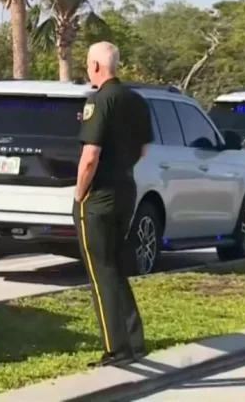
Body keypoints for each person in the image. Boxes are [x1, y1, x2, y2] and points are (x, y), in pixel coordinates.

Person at [73, 41, 154, 367]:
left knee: (100, 272)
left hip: (100, 195)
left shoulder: (99, 101)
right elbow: (144, 150)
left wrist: (80, 193)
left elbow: (89, 156)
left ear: (95, 66)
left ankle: (116, 347)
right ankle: (134, 340)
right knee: (117, 267)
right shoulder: (136, 100)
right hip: (126, 189)